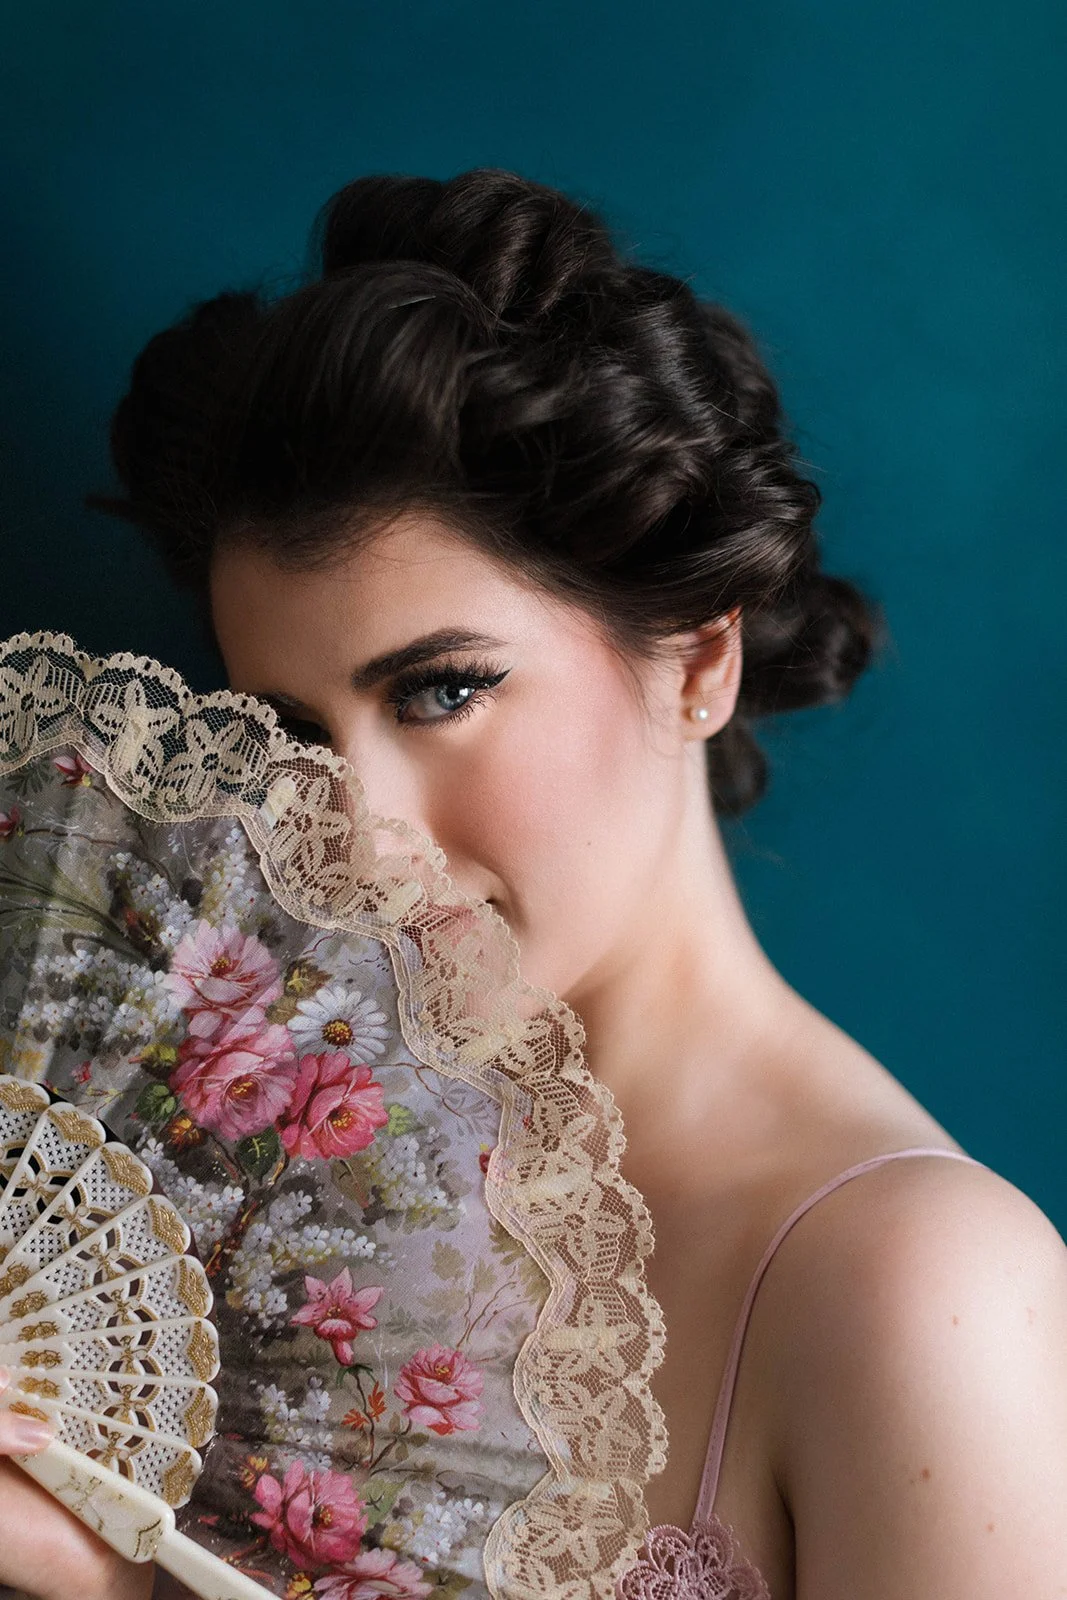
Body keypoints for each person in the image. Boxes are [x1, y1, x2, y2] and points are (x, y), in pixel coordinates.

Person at [3, 168, 1064, 1599]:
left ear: (697, 658)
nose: (352, 832)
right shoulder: (255, 1208)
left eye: (441, 690)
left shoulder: (917, 1291)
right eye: (293, 737)